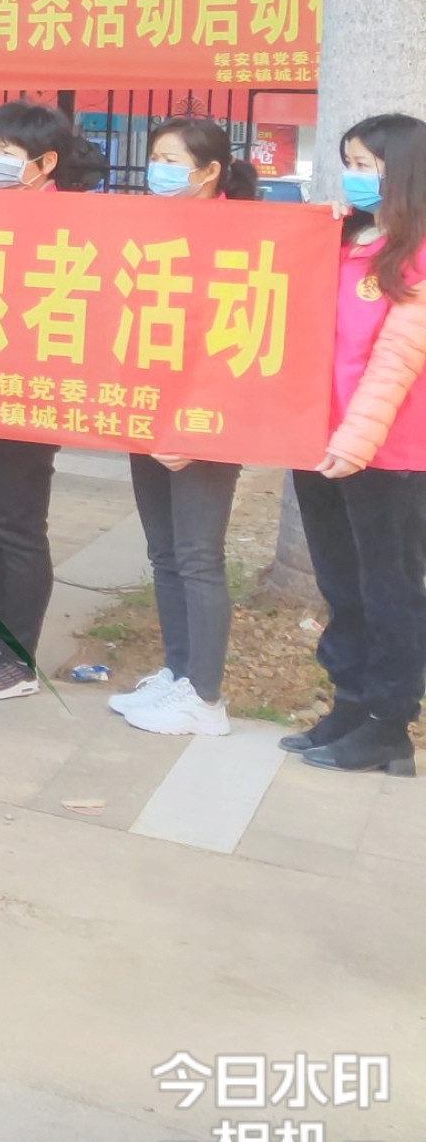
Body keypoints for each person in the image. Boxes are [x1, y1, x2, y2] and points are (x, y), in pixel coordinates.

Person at [0, 100, 107, 701]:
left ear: (45, 162)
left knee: (18, 525)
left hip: (27, 396)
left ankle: (18, 660)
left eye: (7, 151)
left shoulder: (69, 224)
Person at [108, 117, 258, 735]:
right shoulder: (150, 228)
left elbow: (238, 341)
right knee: (164, 551)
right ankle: (179, 672)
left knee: (198, 556)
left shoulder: (242, 237)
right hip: (147, 412)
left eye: (173, 160)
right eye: (156, 157)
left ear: (210, 172)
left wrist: (191, 424)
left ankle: (207, 697)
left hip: (204, 422)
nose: (159, 170)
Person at [288, 112, 426, 776]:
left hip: (385, 454)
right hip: (318, 443)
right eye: (348, 163)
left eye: (365, 165)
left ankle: (389, 724)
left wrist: (357, 441)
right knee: (341, 583)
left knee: (388, 588)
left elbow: (397, 357)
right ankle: (349, 702)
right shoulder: (345, 241)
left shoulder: (416, 254)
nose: (352, 176)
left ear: (404, 173)